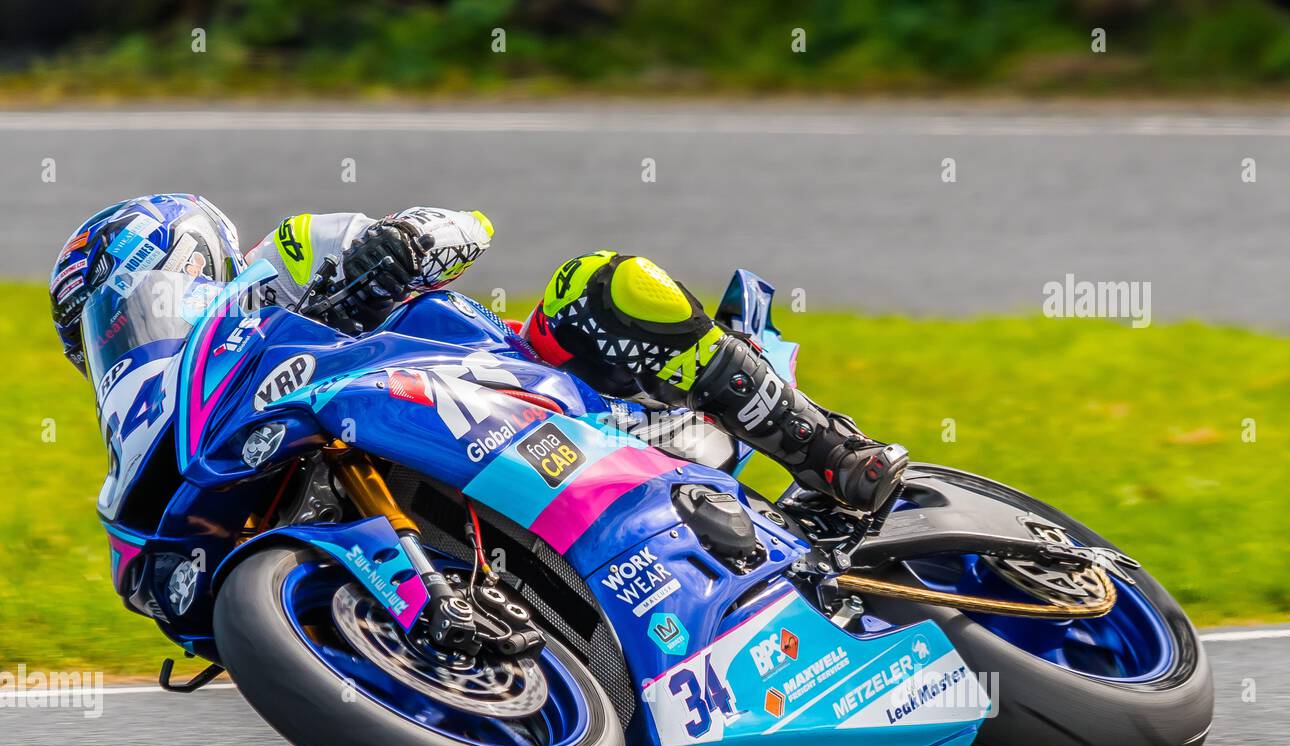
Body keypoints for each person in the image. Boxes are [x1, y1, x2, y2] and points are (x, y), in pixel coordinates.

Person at [50, 194, 906, 514]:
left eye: (117, 311)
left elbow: (470, 226)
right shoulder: (193, 414)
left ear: (182, 255)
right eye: (101, 335)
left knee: (598, 284)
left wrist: (402, 244)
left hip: (529, 389)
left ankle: (829, 453)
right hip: (432, 473)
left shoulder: (289, 257)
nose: (121, 336)